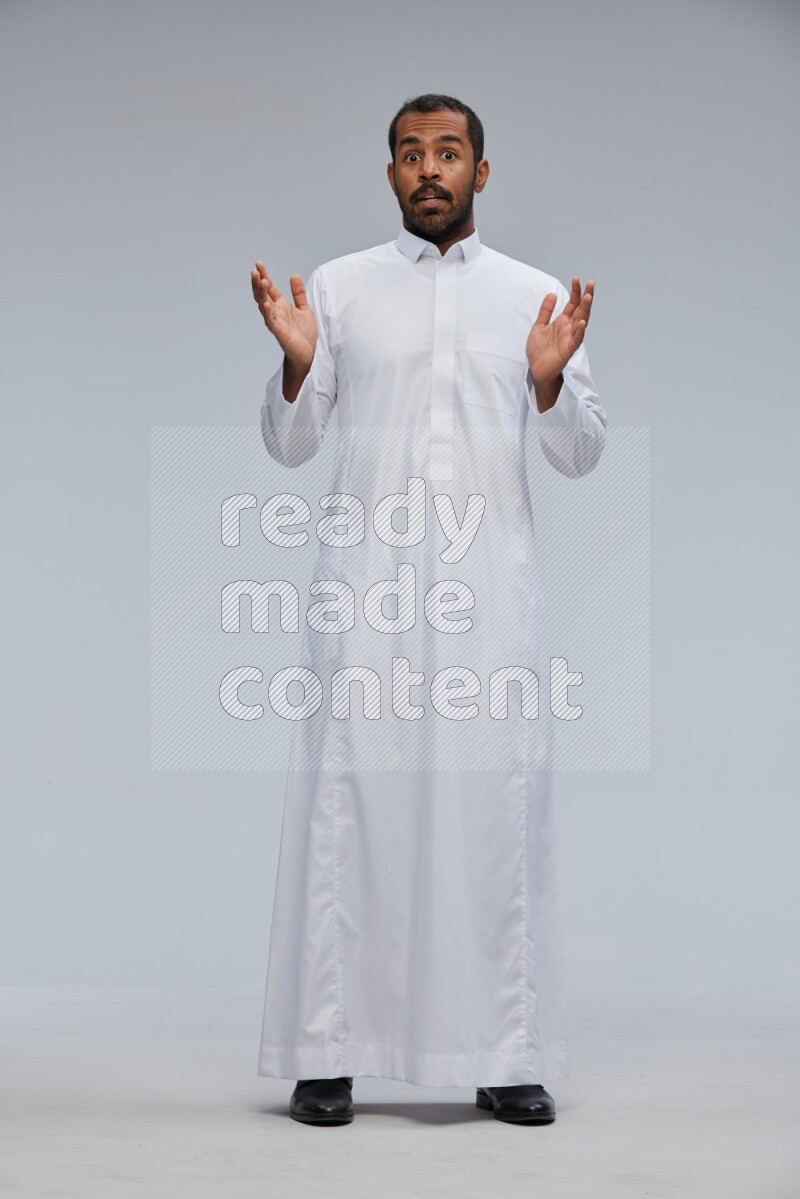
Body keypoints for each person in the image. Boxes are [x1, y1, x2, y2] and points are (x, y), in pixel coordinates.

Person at [250, 93, 606, 1126]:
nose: (428, 170)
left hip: (490, 592)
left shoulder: (534, 298)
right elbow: (287, 443)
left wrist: (545, 384)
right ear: (390, 172)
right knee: (348, 811)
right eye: (409, 154)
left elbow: (579, 452)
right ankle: (327, 1051)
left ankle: (504, 1052)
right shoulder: (342, 288)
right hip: (365, 588)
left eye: (447, 152)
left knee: (494, 809)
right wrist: (298, 358)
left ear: (480, 173)